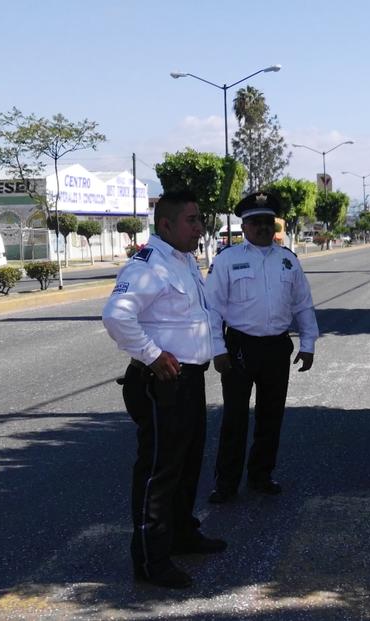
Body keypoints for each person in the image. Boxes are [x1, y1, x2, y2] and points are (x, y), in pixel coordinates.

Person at [102, 190, 226, 589]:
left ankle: (182, 534)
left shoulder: (185, 261)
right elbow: (117, 315)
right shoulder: (149, 265)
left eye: (199, 219)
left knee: (187, 464)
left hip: (189, 380)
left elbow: (201, 315)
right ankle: (152, 561)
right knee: (158, 473)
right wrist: (153, 355)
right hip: (162, 383)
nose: (199, 227)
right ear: (166, 224)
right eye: (191, 220)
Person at [204, 191, 319, 504]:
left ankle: (261, 475)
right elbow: (212, 308)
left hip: (276, 348)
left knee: (271, 416)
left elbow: (303, 305)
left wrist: (307, 343)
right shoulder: (227, 260)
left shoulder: (288, 261)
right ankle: (226, 483)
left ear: (275, 226)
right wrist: (218, 348)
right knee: (235, 418)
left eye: (268, 222)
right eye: (256, 222)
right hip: (239, 347)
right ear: (244, 227)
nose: (263, 228)